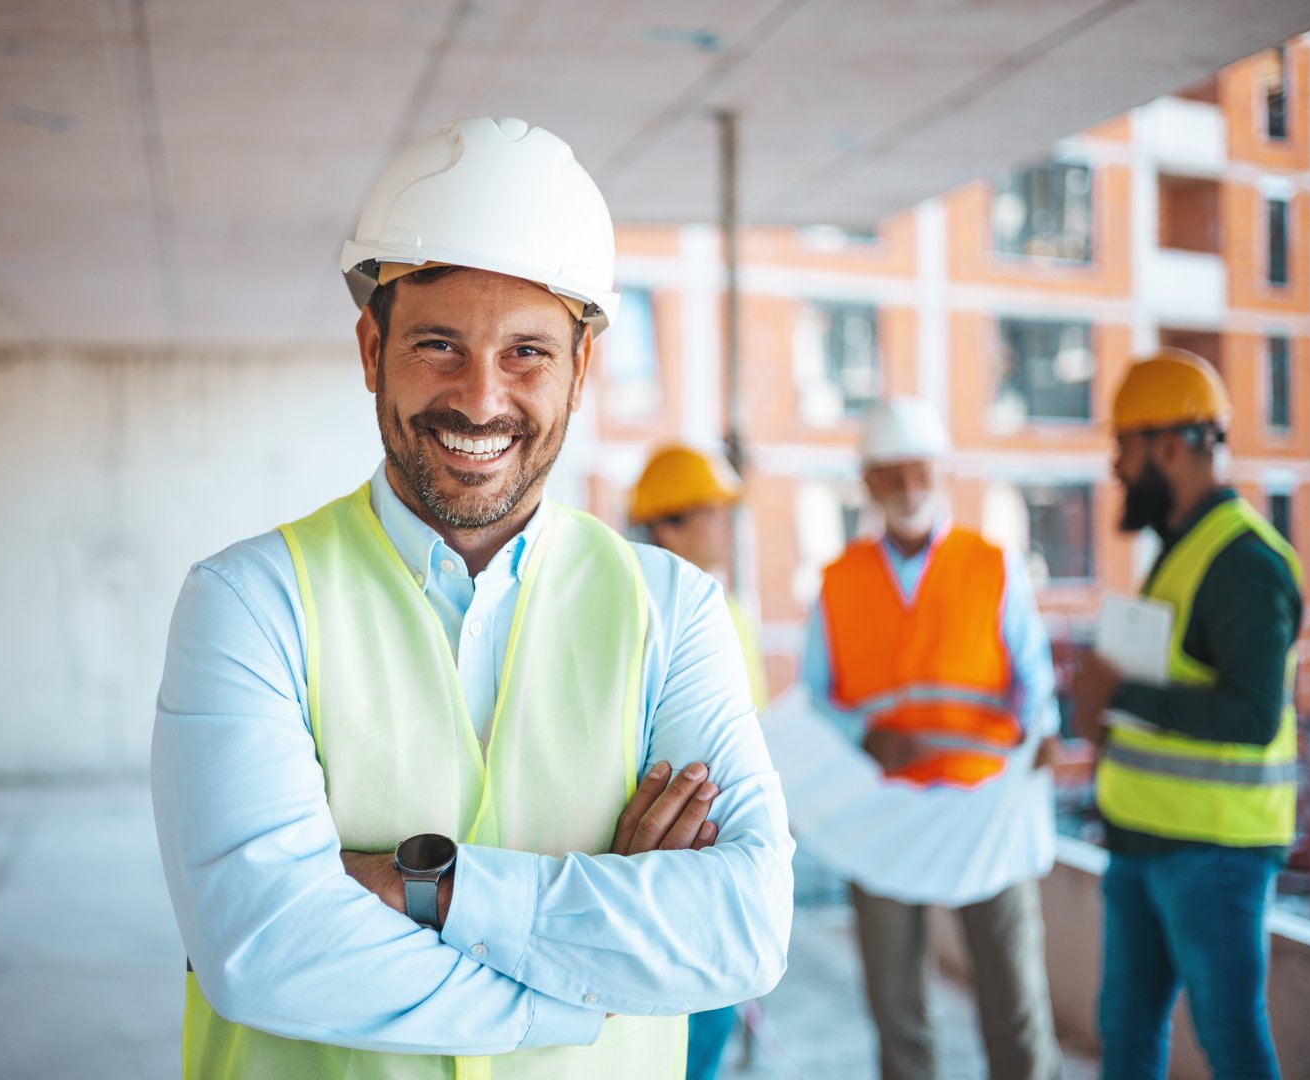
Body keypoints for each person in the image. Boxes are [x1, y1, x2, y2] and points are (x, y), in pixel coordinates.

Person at [150, 116, 794, 1080]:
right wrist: (593, 982)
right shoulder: (248, 603)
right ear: (372, 349)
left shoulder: (674, 611)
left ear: (581, 371)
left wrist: (428, 889)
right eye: (439, 345)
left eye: (528, 352)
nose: (482, 399)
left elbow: (743, 932)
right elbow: (261, 949)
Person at [801, 396, 1063, 1080]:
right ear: (868, 483)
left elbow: (1034, 682)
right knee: (898, 1013)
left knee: (1015, 1008)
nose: (908, 486)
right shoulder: (838, 583)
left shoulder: (993, 567)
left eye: (920, 470)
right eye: (891, 473)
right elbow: (815, 696)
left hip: (984, 809)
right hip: (883, 812)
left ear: (942, 473)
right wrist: (865, 735)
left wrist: (1047, 733)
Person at [1073, 348, 1301, 1080]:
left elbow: (1254, 715)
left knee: (1230, 1042)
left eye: (1123, 447)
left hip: (1214, 852)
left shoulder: (1244, 562)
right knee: (1129, 1037)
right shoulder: (1178, 549)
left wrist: (1119, 696)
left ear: (1171, 446)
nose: (1114, 466)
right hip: (1144, 839)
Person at [629, 444, 768, 1080]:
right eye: (715, 512)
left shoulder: (729, 611)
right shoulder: (632, 614)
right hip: (666, 869)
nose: (729, 526)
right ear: (669, 525)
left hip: (728, 863)